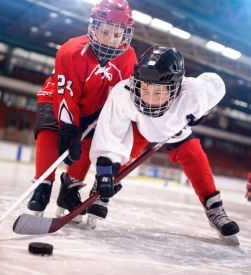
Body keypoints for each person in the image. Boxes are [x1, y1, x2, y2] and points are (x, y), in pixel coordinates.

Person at [89, 45, 240, 241]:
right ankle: (101, 190)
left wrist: (202, 110)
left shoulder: (193, 92)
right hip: (140, 126)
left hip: (176, 131)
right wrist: (105, 173)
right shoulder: (123, 93)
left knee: (195, 157)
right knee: (122, 153)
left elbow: (216, 84)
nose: (149, 98)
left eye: (158, 92)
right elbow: (110, 134)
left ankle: (214, 208)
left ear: (176, 87)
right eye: (144, 88)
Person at [27, 0, 148, 221]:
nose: (110, 39)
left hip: (96, 106)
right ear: (93, 27)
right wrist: (68, 126)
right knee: (50, 131)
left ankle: (69, 190)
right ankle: (42, 186)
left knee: (88, 141)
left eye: (116, 34)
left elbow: (123, 95)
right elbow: (66, 94)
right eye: (104, 32)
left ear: (126, 35)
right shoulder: (70, 51)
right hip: (58, 96)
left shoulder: (129, 57)